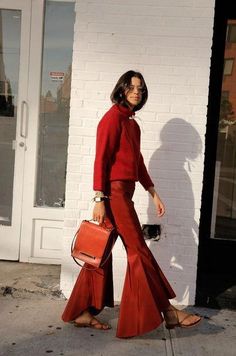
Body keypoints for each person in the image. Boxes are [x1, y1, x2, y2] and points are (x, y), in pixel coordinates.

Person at [62, 70, 202, 338]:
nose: (137, 92)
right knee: (138, 251)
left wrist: (153, 192)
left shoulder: (131, 123)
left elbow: (136, 162)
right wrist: (99, 198)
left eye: (141, 88)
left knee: (98, 253)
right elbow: (100, 160)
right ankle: (168, 311)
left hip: (124, 193)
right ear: (122, 89)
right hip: (112, 194)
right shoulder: (112, 118)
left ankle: (80, 311)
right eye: (132, 87)